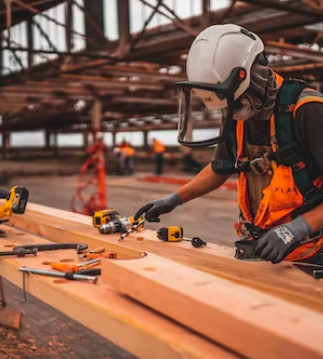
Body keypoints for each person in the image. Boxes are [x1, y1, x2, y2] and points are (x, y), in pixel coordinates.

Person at [134, 23, 323, 265]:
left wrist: (297, 229)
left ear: (253, 78)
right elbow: (219, 168)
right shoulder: (237, 111)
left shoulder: (308, 111)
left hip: (311, 252)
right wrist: (174, 199)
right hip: (262, 246)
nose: (229, 111)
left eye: (234, 102)